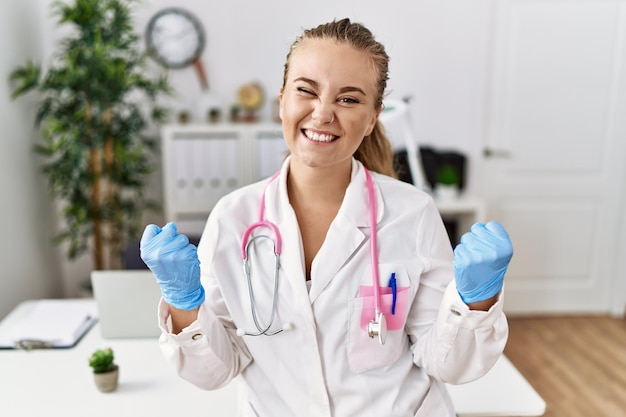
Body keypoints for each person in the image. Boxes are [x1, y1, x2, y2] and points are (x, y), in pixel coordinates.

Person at [140, 18, 513, 417]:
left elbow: (447, 364)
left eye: (349, 99)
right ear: (282, 99)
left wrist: (476, 302)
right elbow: (216, 370)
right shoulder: (234, 218)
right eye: (306, 91)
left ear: (373, 118)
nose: (322, 114)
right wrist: (183, 304)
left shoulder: (412, 214)